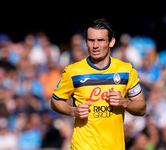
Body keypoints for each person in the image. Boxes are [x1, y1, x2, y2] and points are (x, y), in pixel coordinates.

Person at [51, 18, 146, 150]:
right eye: (91, 40)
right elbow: (55, 101)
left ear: (111, 42)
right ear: (86, 42)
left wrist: (124, 102)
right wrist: (72, 110)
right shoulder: (73, 71)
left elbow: (142, 108)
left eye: (100, 40)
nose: (95, 45)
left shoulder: (127, 71)